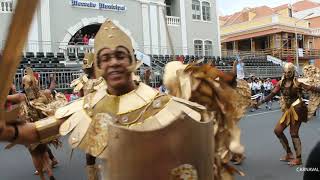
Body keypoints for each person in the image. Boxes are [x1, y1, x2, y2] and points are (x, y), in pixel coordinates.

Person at [0, 19, 249, 180]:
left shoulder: (164, 106)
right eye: (106, 58)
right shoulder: (87, 107)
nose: (114, 62)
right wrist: (6, 132)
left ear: (132, 61)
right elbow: (36, 132)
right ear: (98, 66)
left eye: (121, 55)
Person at [256, 63, 320, 166]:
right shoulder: (281, 83)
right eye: (285, 72)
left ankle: (298, 159)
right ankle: (289, 153)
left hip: (298, 109)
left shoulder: (298, 82)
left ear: (293, 72)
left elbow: (311, 88)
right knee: (278, 131)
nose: (287, 74)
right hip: (288, 110)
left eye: (289, 72)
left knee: (293, 133)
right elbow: (272, 94)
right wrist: (260, 102)